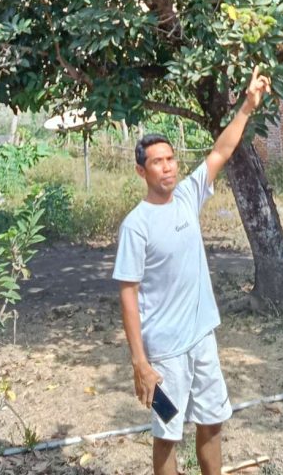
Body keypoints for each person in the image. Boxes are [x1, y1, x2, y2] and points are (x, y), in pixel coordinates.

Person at [112, 67, 272, 475]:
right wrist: (140, 362)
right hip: (165, 352)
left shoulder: (187, 196)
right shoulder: (137, 224)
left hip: (202, 339)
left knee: (212, 420)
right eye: (156, 162)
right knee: (168, 433)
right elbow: (128, 293)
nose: (167, 168)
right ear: (141, 172)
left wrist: (247, 107)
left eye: (170, 159)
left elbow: (220, 152)